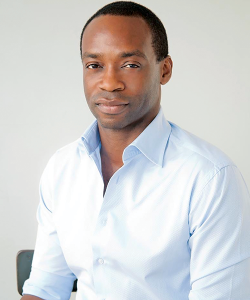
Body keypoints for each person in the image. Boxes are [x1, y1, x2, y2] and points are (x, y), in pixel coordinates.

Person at [21, 1, 250, 300]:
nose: (109, 83)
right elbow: (45, 288)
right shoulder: (62, 168)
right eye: (94, 65)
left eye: (130, 64)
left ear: (164, 70)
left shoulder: (210, 178)